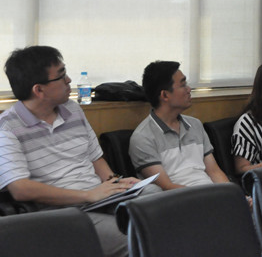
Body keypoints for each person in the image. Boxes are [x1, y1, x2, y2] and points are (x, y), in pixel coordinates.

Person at [0, 46, 138, 257]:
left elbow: (96, 158)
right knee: (137, 237)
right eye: (61, 75)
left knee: (159, 202)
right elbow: (21, 189)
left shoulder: (73, 110)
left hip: (100, 198)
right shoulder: (7, 127)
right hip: (62, 214)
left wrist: (117, 183)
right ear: (39, 90)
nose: (69, 80)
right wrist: (87, 195)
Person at [129, 60, 229, 190]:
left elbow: (214, 172)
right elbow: (167, 186)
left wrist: (234, 195)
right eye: (183, 85)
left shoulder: (195, 125)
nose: (189, 89)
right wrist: (210, 197)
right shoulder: (143, 137)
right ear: (165, 95)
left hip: (212, 193)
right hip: (181, 198)